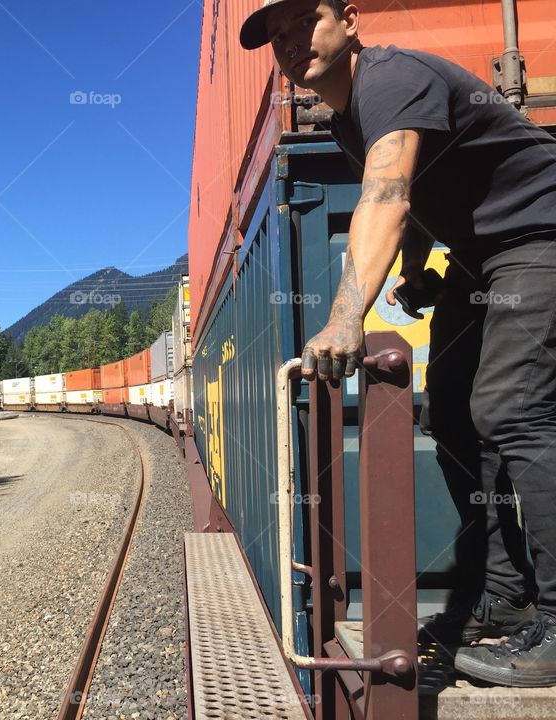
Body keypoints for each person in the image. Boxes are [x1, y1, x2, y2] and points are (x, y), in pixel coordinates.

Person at [239, 0, 556, 687]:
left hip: (541, 232)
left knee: (512, 408)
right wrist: (414, 274)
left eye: (305, 21)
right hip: (483, 255)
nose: (293, 42)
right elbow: (414, 198)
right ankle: (505, 594)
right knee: (450, 414)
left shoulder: (387, 80)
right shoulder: (352, 114)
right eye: (278, 36)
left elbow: (386, 194)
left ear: (349, 21)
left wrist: (347, 313)